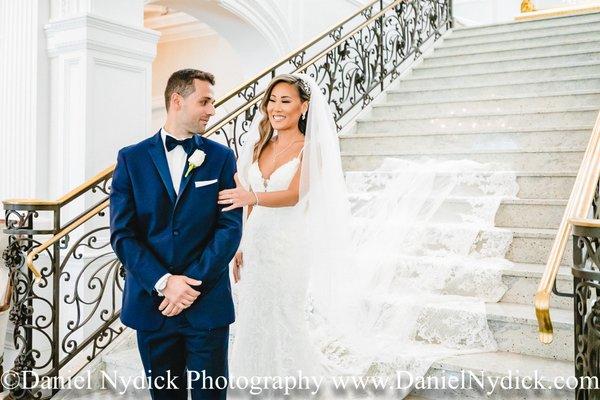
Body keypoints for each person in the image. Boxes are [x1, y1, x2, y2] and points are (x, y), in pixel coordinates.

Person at [218, 73, 509, 398]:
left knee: (284, 312)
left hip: (289, 245)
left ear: (303, 107)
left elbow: (293, 194)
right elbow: (250, 204)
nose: (276, 107)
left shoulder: (311, 148)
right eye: (272, 100)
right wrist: (240, 244)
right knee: (254, 312)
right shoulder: (261, 145)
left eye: (285, 101)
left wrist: (252, 198)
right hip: (256, 244)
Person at [110, 68, 243, 400]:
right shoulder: (131, 159)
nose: (212, 110)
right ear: (176, 100)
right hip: (153, 306)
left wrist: (189, 283)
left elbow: (229, 228)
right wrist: (164, 282)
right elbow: (123, 234)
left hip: (206, 303)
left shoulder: (221, 158)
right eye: (205, 101)